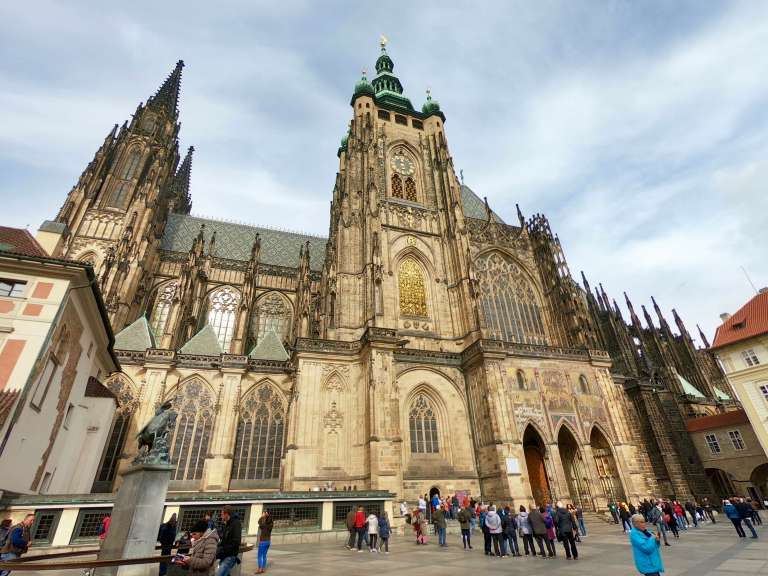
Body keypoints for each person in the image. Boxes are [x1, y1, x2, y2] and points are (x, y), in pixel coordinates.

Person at [215, 506, 241, 576]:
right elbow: (224, 540)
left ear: (226, 514)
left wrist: (223, 550)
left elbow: (236, 541)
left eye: (222, 514)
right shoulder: (227, 524)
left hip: (230, 556)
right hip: (224, 555)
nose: (221, 516)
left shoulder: (236, 523)